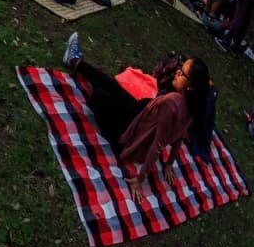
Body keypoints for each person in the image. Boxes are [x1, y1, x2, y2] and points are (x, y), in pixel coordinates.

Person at [61, 33, 211, 203]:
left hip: (129, 134)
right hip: (138, 114)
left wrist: (140, 179)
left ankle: (75, 61)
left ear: (191, 87)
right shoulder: (193, 107)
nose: (177, 72)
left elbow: (158, 145)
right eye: (180, 68)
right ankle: (74, 60)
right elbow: (179, 137)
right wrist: (170, 162)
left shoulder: (172, 103)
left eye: (182, 73)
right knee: (110, 85)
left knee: (99, 95)